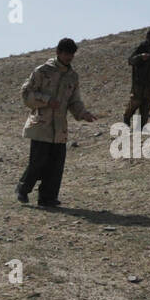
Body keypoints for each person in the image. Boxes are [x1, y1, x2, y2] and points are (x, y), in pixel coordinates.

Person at [15, 38, 96, 207]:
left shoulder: (73, 77)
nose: (69, 57)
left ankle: (47, 198)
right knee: (37, 162)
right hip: (41, 125)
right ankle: (23, 189)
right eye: (67, 54)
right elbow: (26, 93)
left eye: (72, 54)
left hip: (59, 129)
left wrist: (83, 113)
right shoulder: (42, 71)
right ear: (58, 52)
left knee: (56, 165)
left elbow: (74, 101)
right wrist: (46, 100)